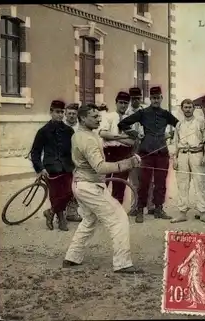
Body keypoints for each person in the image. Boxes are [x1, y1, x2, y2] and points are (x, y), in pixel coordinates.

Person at [63, 103, 144, 274]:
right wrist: (127, 163)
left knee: (89, 220)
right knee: (119, 218)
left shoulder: (83, 134)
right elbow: (99, 167)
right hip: (89, 186)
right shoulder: (87, 139)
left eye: (99, 116)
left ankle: (72, 257)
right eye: (94, 117)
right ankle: (122, 263)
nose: (99, 119)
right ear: (82, 118)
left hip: (82, 184)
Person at [118, 86, 178, 223]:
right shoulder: (143, 113)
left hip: (162, 153)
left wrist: (171, 134)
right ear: (150, 99)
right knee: (143, 182)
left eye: (158, 98)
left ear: (161, 98)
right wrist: (135, 134)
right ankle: (140, 210)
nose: (156, 100)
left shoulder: (165, 113)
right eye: (153, 98)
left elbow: (179, 125)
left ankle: (159, 209)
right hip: (146, 152)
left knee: (160, 182)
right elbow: (123, 123)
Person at [30, 100, 75, 231]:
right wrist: (40, 168)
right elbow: (35, 152)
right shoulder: (43, 131)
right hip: (51, 168)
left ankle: (50, 212)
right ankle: (61, 219)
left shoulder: (69, 130)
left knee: (69, 192)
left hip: (67, 167)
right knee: (56, 194)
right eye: (57, 112)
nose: (60, 115)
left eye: (62, 112)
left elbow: (74, 150)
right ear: (51, 112)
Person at [170, 99, 205, 224]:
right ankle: (182, 213)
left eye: (190, 107)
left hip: (197, 154)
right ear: (182, 109)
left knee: (200, 184)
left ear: (194, 108)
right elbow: (176, 143)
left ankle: (202, 213)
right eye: (185, 107)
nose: (187, 109)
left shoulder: (200, 122)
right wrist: (175, 159)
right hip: (182, 154)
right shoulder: (179, 124)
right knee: (182, 184)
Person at [98, 91, 136, 205]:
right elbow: (103, 134)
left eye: (125, 103)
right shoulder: (109, 117)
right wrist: (122, 137)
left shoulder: (131, 119)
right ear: (116, 103)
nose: (123, 105)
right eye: (121, 102)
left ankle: (117, 210)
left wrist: (113, 138)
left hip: (124, 153)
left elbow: (132, 141)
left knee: (120, 183)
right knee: (104, 182)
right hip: (109, 153)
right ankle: (101, 210)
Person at [125, 87, 155, 215]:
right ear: (130, 99)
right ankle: (135, 206)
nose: (136, 101)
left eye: (138, 98)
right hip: (131, 149)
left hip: (145, 149)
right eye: (133, 99)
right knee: (134, 180)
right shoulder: (125, 114)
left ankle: (150, 205)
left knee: (148, 178)